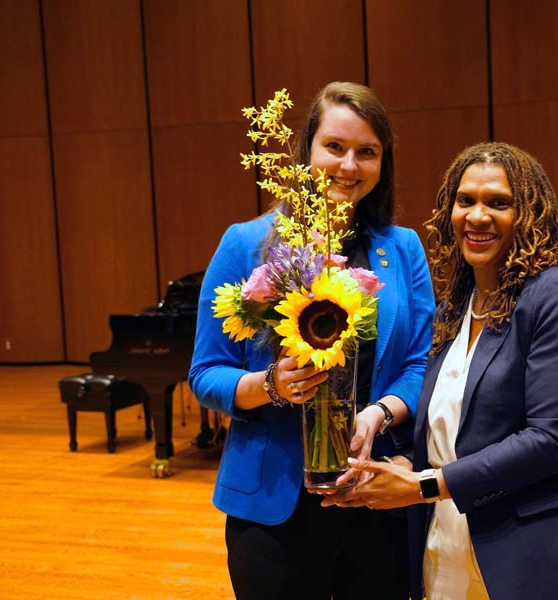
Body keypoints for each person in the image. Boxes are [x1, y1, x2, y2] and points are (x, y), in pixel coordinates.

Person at [323, 142, 558, 599]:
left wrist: (421, 485)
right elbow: (447, 433)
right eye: (465, 200)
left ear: (530, 214)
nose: (477, 216)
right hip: (448, 548)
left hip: (539, 557)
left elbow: (554, 440)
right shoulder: (455, 308)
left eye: (498, 202)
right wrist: (390, 466)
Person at [188, 81, 435, 600]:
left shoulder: (404, 248)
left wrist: (380, 414)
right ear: (306, 151)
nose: (349, 166)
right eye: (335, 147)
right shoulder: (245, 243)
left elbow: (420, 363)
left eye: (367, 152)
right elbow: (206, 374)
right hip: (272, 509)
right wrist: (272, 385)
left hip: (375, 490)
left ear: (382, 163)